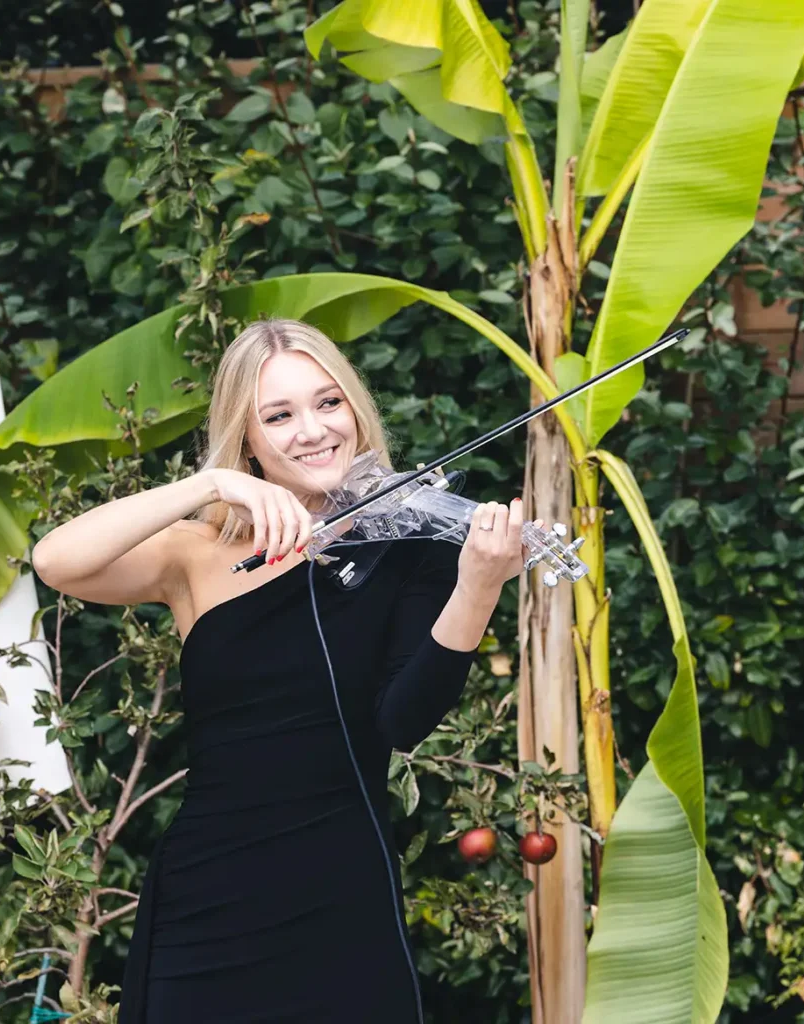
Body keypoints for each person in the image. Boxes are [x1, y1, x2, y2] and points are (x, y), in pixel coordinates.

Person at [32, 318, 533, 1023]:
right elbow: (56, 562)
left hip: (340, 890)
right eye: (279, 415)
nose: (313, 430)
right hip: (207, 893)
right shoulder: (196, 553)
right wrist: (209, 485)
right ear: (248, 438)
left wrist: (478, 587)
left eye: (329, 403)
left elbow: (403, 718)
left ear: (355, 410)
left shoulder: (410, 544)